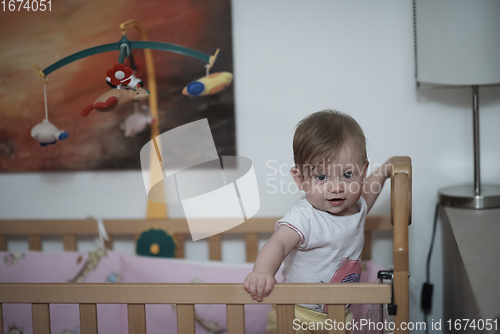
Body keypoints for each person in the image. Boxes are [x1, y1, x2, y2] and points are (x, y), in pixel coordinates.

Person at [243, 109, 392, 333]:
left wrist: (384, 172)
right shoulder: (304, 216)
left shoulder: (357, 207)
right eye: (321, 177)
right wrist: (263, 272)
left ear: (363, 172)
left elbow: (369, 193)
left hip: (339, 314)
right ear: (300, 179)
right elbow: (279, 243)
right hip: (295, 314)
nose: (336, 187)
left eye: (348, 175)